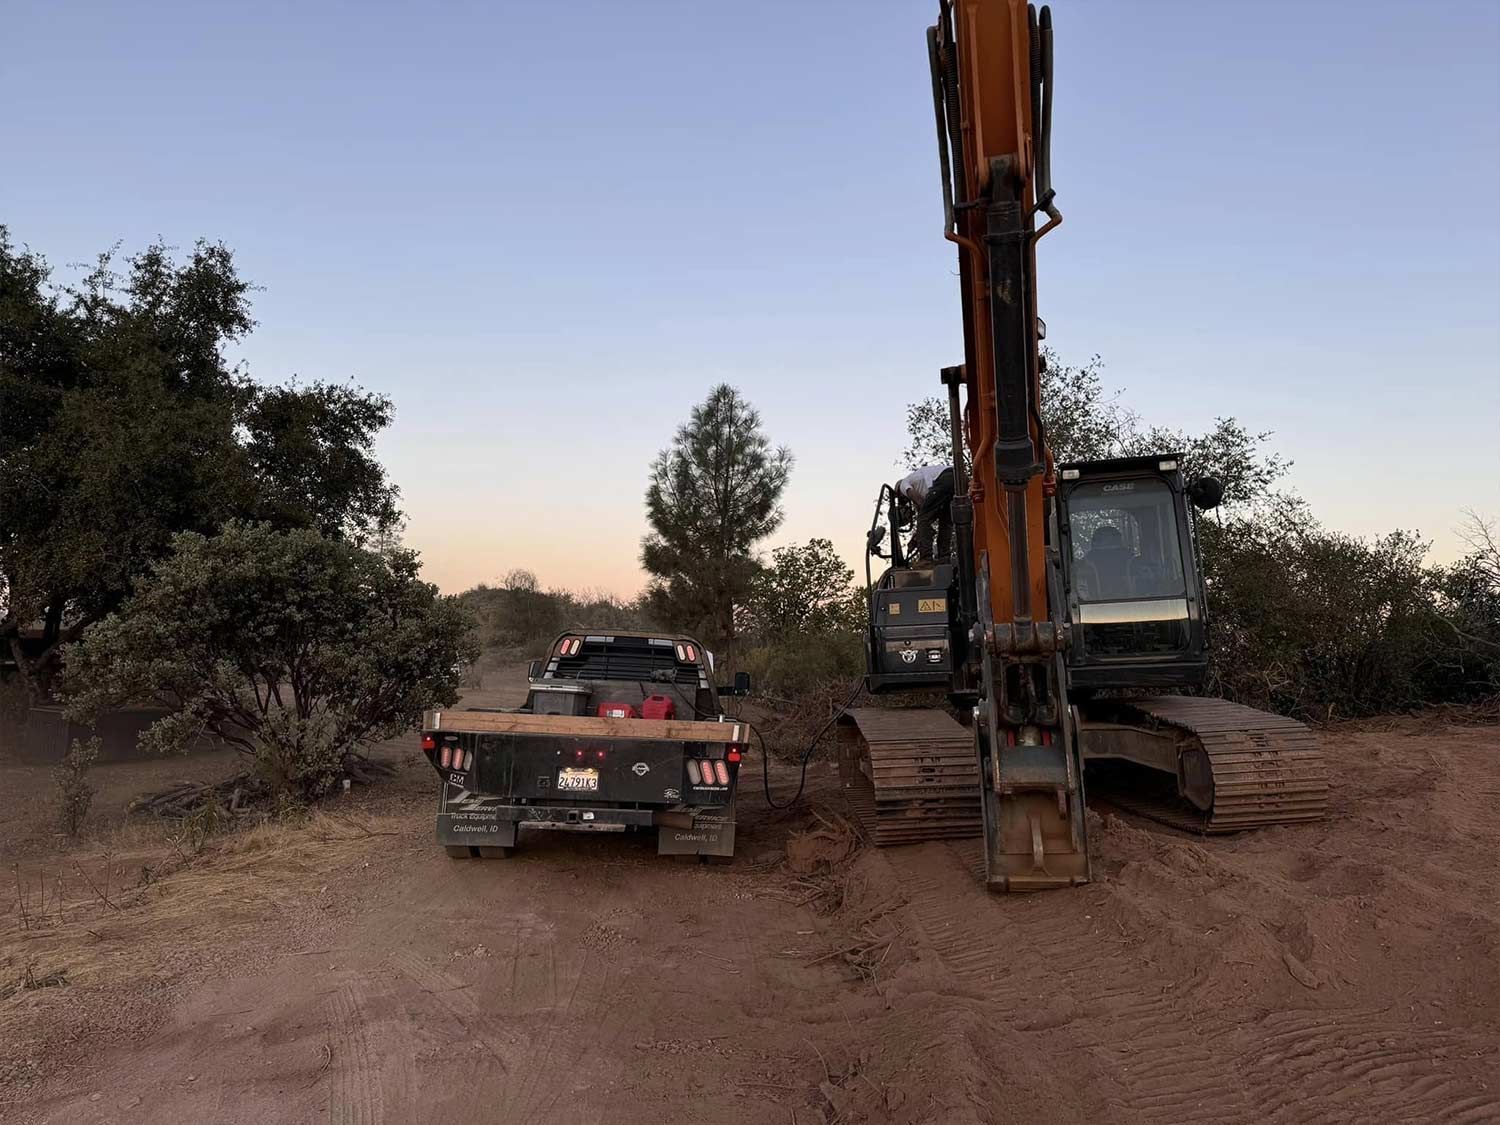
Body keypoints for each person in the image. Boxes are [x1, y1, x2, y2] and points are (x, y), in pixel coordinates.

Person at [896, 463, 954, 564]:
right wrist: (917, 537)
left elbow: (921, 509)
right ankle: (944, 558)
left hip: (943, 479)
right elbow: (925, 520)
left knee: (923, 519)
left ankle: (926, 559)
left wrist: (923, 530)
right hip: (956, 477)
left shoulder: (903, 484)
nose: (905, 500)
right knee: (945, 522)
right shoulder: (919, 486)